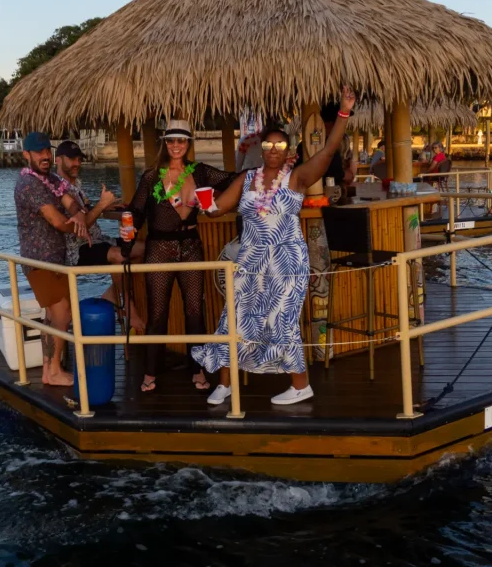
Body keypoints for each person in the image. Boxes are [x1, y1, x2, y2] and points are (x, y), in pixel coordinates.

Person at [192, 86, 356, 406]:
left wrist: (344, 112)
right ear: (262, 147)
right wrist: (193, 195)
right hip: (251, 263)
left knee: (283, 322)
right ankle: (225, 384)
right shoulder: (247, 178)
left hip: (287, 265)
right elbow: (216, 209)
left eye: (280, 144)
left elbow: (329, 148)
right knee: (233, 319)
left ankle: (301, 385)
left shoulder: (296, 177)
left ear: (287, 149)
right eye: (268, 143)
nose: (273, 148)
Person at [123, 120, 235, 393]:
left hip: (191, 247)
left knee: (195, 310)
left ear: (188, 144)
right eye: (171, 140)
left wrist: (221, 204)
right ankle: (150, 372)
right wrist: (127, 231)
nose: (176, 145)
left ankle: (197, 369)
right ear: (165, 142)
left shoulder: (200, 172)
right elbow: (136, 210)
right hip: (159, 248)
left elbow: (235, 178)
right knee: (158, 313)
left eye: (181, 141)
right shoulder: (151, 176)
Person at [15, 131, 90, 386]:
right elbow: (57, 221)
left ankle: (49, 371)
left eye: (47, 151)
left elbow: (70, 202)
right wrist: (81, 225)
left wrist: (78, 215)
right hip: (39, 262)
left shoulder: (53, 180)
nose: (45, 156)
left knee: (52, 316)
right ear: (27, 155)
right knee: (63, 313)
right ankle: (54, 370)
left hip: (56, 261)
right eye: (39, 152)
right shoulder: (28, 184)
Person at [54, 140, 145, 332]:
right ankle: (130, 309)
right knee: (118, 256)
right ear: (58, 160)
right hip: (76, 249)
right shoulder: (57, 189)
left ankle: (112, 294)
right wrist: (102, 205)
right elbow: (80, 226)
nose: (77, 163)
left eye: (79, 159)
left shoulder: (76, 184)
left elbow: (84, 211)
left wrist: (104, 207)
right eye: (71, 159)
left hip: (98, 240)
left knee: (144, 249)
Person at [295, 103, 355, 187]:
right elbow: (339, 174)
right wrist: (349, 174)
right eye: (341, 123)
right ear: (332, 124)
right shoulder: (329, 146)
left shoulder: (304, 145)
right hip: (324, 194)